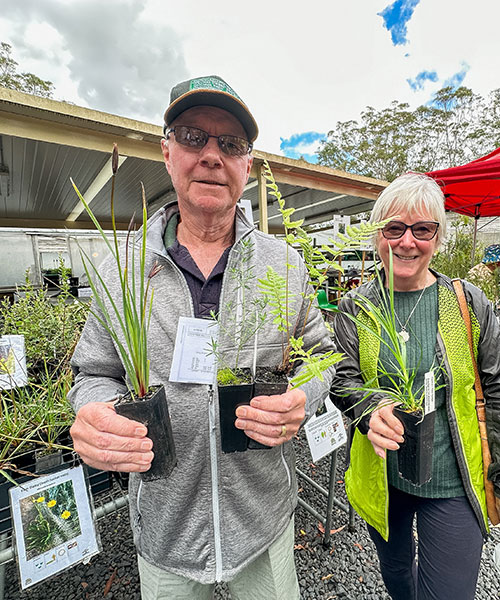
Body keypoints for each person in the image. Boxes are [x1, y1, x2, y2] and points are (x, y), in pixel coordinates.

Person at [68, 75, 335, 600]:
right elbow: (93, 373)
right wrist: (92, 414)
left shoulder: (285, 266)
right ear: (167, 152)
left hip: (264, 523)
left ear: (246, 165)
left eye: (230, 144)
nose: (212, 155)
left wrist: (304, 395)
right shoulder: (121, 268)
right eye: (194, 137)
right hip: (167, 533)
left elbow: (321, 355)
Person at [330, 173, 500, 600]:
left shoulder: (465, 302)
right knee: (394, 570)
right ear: (378, 235)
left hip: (452, 478)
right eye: (394, 228)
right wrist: (369, 408)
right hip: (383, 474)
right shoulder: (357, 307)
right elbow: (342, 377)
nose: (407, 241)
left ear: (437, 237)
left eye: (422, 229)